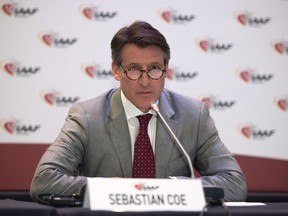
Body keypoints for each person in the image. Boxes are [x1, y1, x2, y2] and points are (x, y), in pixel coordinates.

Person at [30, 21, 247, 202]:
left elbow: (235, 183)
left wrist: (169, 190)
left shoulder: (193, 115)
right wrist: (110, 188)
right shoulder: (87, 116)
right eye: (134, 69)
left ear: (166, 69)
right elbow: (44, 181)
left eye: (154, 69)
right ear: (116, 70)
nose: (145, 81)